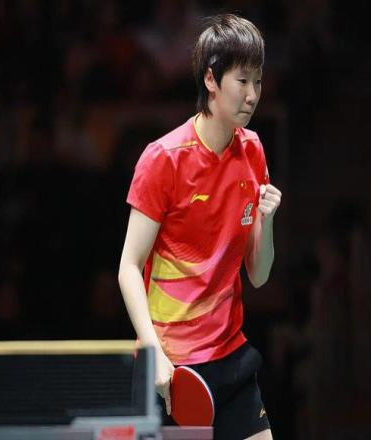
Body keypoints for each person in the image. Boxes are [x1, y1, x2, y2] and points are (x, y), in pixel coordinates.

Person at [118, 14, 281, 440]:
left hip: (231, 356)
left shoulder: (253, 151)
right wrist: (152, 351)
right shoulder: (164, 160)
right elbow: (128, 267)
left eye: (258, 82)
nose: (252, 95)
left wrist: (266, 222)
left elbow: (259, 275)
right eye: (241, 81)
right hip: (171, 368)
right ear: (211, 79)